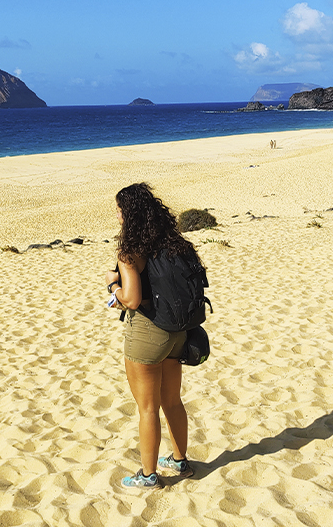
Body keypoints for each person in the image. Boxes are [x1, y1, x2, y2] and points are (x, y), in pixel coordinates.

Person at [106, 183, 198, 489]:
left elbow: (131, 300)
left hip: (147, 332)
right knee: (172, 400)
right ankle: (180, 460)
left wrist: (112, 287)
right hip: (178, 332)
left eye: (119, 209)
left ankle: (147, 475)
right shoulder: (174, 242)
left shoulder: (130, 250)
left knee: (147, 408)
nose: (116, 214)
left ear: (129, 214)